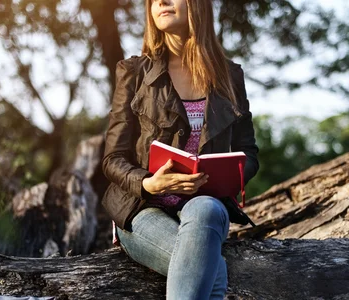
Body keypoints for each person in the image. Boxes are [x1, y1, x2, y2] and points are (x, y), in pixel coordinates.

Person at [101, 0, 259, 298]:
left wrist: (222, 176)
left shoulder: (230, 76)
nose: (161, 2)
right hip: (142, 210)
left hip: (205, 211)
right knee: (214, 271)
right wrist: (148, 182)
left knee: (207, 207)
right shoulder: (133, 73)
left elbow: (248, 154)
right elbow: (113, 159)